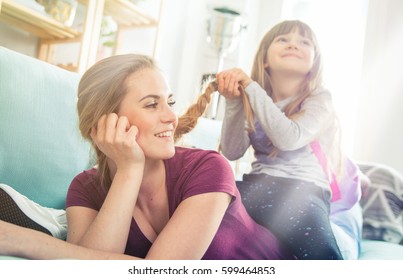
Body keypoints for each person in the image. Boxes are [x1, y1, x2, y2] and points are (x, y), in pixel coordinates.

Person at [0, 53, 293, 260]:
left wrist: (28, 242)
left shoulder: (208, 167)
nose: (171, 117)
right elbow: (88, 269)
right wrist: (129, 171)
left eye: (170, 102)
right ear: (103, 123)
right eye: (152, 105)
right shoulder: (85, 188)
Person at [215, 20, 363, 260]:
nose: (293, 44)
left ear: (313, 63)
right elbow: (232, 151)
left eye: (304, 42)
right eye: (283, 39)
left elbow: (289, 138)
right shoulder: (252, 98)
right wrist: (233, 102)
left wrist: (251, 88)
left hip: (303, 190)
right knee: (204, 203)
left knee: (323, 253)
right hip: (257, 184)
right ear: (264, 59)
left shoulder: (319, 98)